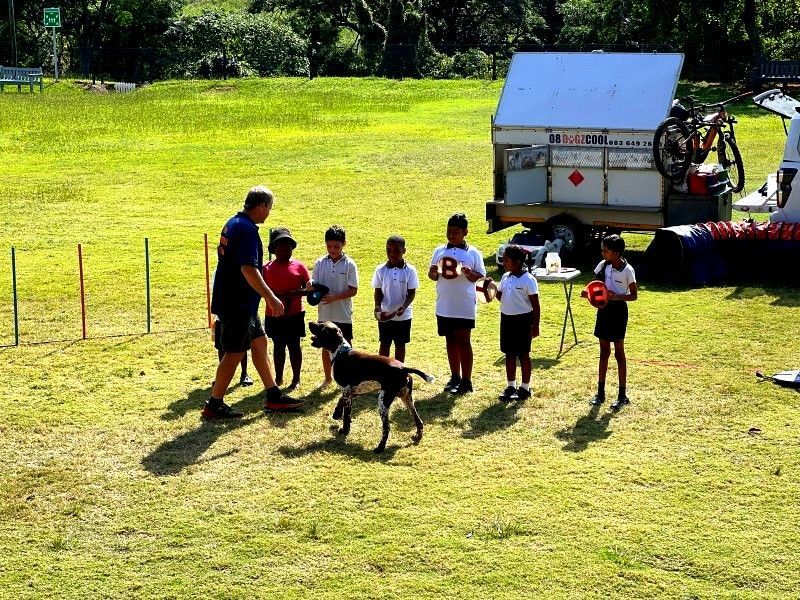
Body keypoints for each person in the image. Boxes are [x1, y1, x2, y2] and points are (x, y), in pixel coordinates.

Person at [204, 186, 303, 419]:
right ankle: (214, 403)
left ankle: (273, 394)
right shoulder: (247, 230)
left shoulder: (234, 223)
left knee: (259, 342)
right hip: (237, 303)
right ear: (260, 206)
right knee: (235, 352)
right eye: (268, 208)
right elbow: (248, 268)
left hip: (242, 303)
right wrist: (270, 296)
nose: (268, 213)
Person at [428, 213, 485, 395]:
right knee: (450, 340)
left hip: (464, 305)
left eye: (456, 231)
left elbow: (482, 278)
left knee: (464, 341)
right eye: (449, 231)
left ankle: (467, 380)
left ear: (465, 232)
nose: (452, 235)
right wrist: (433, 272)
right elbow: (433, 276)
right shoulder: (439, 251)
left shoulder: (473, 253)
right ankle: (455, 376)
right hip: (444, 304)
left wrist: (470, 274)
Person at [580, 234, 638, 410]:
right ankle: (601, 392)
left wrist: (617, 296)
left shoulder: (628, 270)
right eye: (602, 250)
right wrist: (588, 294)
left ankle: (622, 395)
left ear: (617, 252)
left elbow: (634, 295)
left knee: (619, 353)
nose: (603, 253)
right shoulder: (603, 266)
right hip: (603, 311)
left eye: (606, 250)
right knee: (604, 351)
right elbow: (596, 287)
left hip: (618, 311)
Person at [262, 227, 310, 392]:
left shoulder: (299, 266)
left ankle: (296, 378)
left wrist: (293, 294)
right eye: (281, 247)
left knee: (294, 346)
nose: (285, 250)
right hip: (274, 314)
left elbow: (308, 288)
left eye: (288, 246)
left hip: (295, 314)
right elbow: (261, 290)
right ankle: (278, 377)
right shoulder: (266, 268)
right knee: (278, 346)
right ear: (274, 250)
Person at [312, 225, 359, 387]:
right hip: (325, 313)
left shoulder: (350, 264)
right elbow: (315, 285)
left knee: (347, 346)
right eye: (329, 246)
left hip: (343, 313)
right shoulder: (319, 262)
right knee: (326, 347)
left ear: (344, 244)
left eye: (336, 246)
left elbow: (353, 290)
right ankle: (328, 378)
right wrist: (311, 287)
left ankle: (350, 377)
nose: (333, 249)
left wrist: (335, 298)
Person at [493, 245, 540, 401]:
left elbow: (536, 305)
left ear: (518, 261)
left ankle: (525, 388)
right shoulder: (506, 277)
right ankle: (511, 385)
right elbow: (500, 295)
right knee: (509, 354)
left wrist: (535, 326)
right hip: (507, 319)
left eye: (506, 259)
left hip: (523, 321)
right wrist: (488, 288)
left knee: (523, 355)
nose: (503, 261)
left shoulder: (529, 280)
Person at [372, 235, 419, 362]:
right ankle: (383, 370)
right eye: (388, 250)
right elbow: (378, 291)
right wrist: (377, 307)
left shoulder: (410, 271)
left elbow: (411, 293)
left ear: (404, 251)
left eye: (396, 250)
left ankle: (399, 371)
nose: (392, 254)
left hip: (403, 316)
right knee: (384, 343)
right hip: (385, 313)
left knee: (400, 345)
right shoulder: (380, 270)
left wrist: (404, 307)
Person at [213, 316, 253, 386]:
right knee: (221, 347)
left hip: (240, 316)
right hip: (221, 317)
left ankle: (244, 374)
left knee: (242, 346)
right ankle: (222, 376)